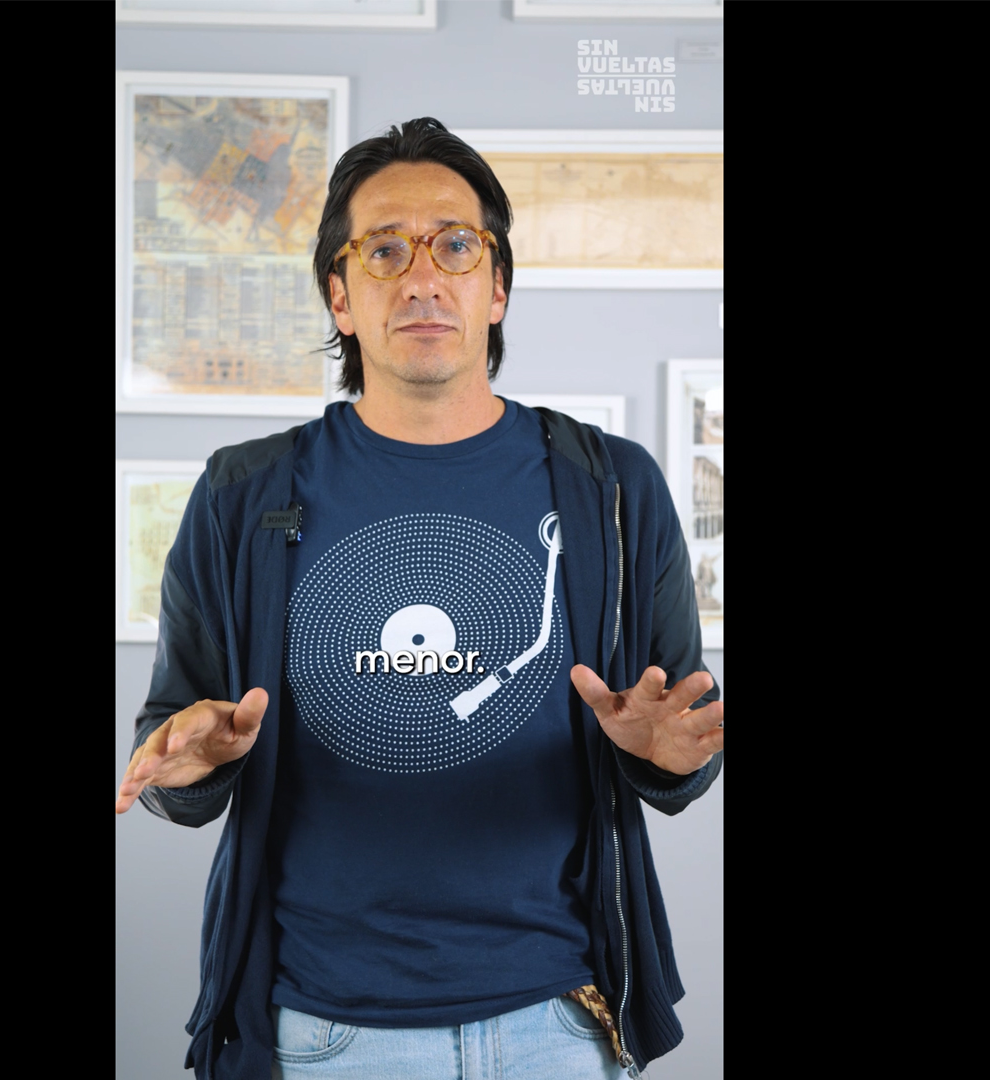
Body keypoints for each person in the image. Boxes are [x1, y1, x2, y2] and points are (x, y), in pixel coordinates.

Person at [117, 117, 723, 1080]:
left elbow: (679, 740)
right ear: (340, 295)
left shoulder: (611, 486)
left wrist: (668, 761)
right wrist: (190, 768)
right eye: (385, 250)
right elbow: (175, 751)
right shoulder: (243, 492)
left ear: (497, 286)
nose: (422, 278)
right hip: (323, 1033)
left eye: (455, 245)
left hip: (559, 1023)